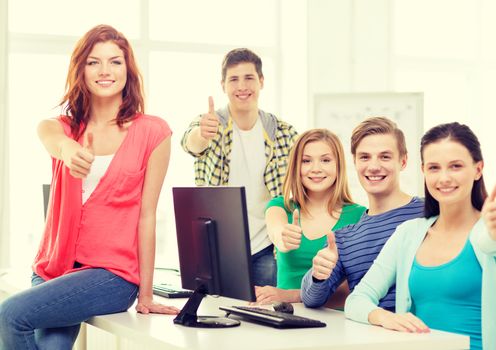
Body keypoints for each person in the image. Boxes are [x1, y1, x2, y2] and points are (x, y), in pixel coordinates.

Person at [0, 24, 179, 349]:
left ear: (129, 69)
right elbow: (51, 138)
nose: (105, 70)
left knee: (10, 314)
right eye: (94, 62)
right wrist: (69, 151)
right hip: (54, 269)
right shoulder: (63, 128)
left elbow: (147, 216)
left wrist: (147, 293)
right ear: (80, 69)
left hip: (111, 276)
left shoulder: (154, 133)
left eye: (115, 61)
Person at [344, 122, 496, 350]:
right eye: (434, 168)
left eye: (455, 166)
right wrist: (386, 317)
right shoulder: (408, 233)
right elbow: (357, 300)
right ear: (424, 171)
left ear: (478, 169)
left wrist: (494, 230)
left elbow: (493, 242)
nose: (444, 178)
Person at [181, 48, 298, 286]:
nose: (242, 86)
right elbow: (190, 143)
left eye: (249, 78)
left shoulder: (282, 133)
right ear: (223, 84)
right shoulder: (210, 123)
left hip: (267, 247)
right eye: (234, 79)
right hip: (219, 247)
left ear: (261, 81)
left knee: (265, 314)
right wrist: (202, 134)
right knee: (218, 313)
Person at [301, 117, 424, 310]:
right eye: (365, 157)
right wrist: (318, 274)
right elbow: (312, 299)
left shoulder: (429, 214)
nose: (373, 167)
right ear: (355, 162)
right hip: (369, 335)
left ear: (403, 161)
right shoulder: (343, 238)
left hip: (428, 335)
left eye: (385, 156)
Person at [255, 129, 366, 304]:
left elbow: (356, 287)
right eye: (306, 161)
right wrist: (282, 238)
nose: (316, 169)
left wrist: (292, 296)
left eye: (325, 160)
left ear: (338, 166)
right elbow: (276, 229)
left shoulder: (360, 216)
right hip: (285, 319)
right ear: (296, 167)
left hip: (336, 322)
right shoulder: (281, 206)